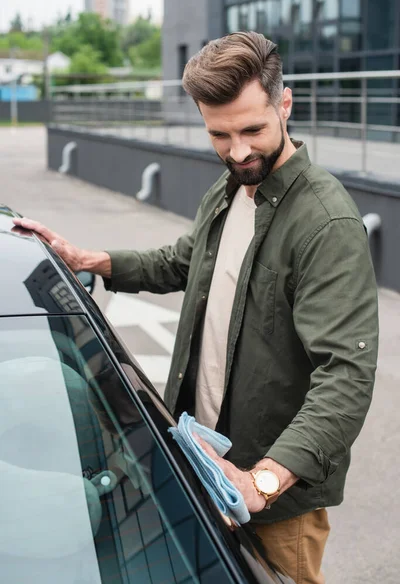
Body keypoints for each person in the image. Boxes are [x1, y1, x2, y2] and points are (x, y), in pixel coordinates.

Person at [13, 32, 379, 583]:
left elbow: (346, 376)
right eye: (219, 134)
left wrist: (261, 483)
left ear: (284, 105)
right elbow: (184, 262)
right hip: (199, 461)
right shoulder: (230, 188)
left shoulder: (327, 223)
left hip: (271, 498)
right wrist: (90, 258)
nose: (237, 152)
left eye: (252, 130)